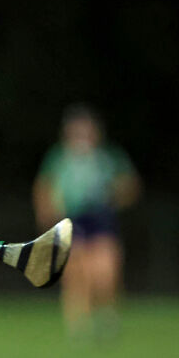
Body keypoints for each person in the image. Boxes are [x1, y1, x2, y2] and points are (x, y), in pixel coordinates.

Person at [33, 103, 140, 340]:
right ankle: (78, 323)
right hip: (72, 219)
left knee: (105, 271)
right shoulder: (59, 158)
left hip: (101, 219)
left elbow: (129, 186)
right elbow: (44, 186)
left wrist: (115, 195)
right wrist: (46, 214)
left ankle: (107, 314)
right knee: (75, 273)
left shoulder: (108, 157)